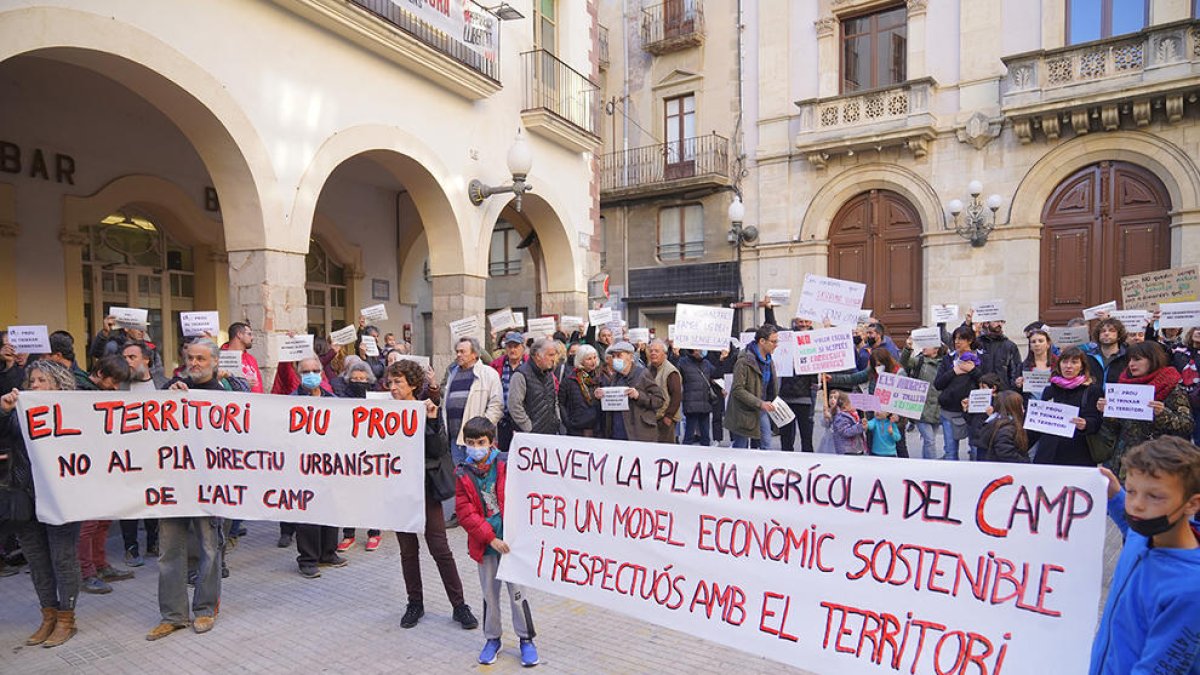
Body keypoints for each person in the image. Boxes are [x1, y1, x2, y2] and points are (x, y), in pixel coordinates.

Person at [1090, 437, 1200, 674]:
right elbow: (1132, 532)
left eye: (1154, 496)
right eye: (1132, 491)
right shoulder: (1145, 533)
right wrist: (1116, 496)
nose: (1137, 505)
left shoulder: (1190, 589)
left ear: (1192, 504)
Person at [386, 360, 478, 631]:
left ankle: (459, 605)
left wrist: (432, 419)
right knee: (407, 550)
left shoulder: (427, 409)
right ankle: (414, 603)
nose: (393, 388)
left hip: (425, 487)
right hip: (397, 489)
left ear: (413, 385)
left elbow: (438, 449)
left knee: (439, 546)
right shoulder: (382, 413)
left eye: (398, 383)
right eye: (390, 383)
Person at [147, 339, 229, 641]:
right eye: (190, 358)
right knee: (169, 550)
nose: (194, 363)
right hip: (173, 486)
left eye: (201, 359)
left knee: (209, 548)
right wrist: (167, 399)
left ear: (214, 362)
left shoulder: (224, 397)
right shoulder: (172, 388)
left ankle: (205, 608)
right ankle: (173, 615)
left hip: (208, 487)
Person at [0, 361, 84, 647]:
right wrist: (3, 410)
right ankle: (48, 615)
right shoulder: (17, 414)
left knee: (63, 559)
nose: (34, 386)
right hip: (26, 497)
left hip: (63, 498)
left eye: (41, 381)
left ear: (59, 385)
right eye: (31, 381)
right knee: (37, 560)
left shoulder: (76, 414)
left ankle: (66, 619)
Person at [455, 417, 539, 667]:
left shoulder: (507, 464)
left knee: (517, 594)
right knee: (489, 595)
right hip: (486, 546)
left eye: (481, 442)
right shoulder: (462, 472)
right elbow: (464, 512)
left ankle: (526, 639)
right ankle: (492, 638)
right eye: (470, 443)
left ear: (492, 442)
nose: (476, 447)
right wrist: (490, 538)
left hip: (512, 544)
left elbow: (524, 493)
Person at [288, 356, 350, 577]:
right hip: (302, 465)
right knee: (308, 514)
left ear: (322, 373)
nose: (311, 374)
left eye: (315, 370)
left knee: (331, 509)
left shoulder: (332, 399)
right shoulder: (289, 403)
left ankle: (328, 552)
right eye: (306, 371)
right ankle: (307, 559)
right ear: (298, 375)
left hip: (328, 464)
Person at [1097, 341, 1195, 476]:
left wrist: (1162, 414)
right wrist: (1108, 413)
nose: (1131, 364)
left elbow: (1187, 424)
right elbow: (1112, 431)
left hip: (1159, 461)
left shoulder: (1172, 387)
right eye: (1130, 360)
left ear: (1153, 360)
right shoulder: (1123, 386)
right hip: (1125, 462)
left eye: (1137, 359)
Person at [438, 336, 503, 529]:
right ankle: (462, 513)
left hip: (478, 439)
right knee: (462, 478)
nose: (458, 355)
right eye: (456, 351)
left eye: (462, 352)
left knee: (483, 477)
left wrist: (484, 428)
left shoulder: (488, 374)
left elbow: (496, 404)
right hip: (456, 437)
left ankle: (485, 512)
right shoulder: (453, 372)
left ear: (474, 354)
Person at [119, 342, 164, 566]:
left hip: (157, 456)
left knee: (154, 500)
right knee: (129, 503)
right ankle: (131, 547)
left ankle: (154, 542)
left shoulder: (163, 386)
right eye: (124, 357)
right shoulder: (118, 387)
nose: (127, 361)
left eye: (132, 357)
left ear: (146, 360)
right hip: (127, 456)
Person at [1030, 346, 1104, 467]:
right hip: (1048, 455)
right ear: (1059, 365)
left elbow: (1097, 421)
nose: (1068, 366)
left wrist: (1085, 424)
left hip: (1077, 455)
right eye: (1065, 361)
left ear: (1082, 366)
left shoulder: (1092, 390)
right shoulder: (1050, 390)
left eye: (1074, 362)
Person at [598, 341, 664, 442]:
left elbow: (659, 400)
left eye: (619, 355)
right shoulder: (615, 377)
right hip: (617, 432)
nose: (615, 359)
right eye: (613, 356)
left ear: (630, 356)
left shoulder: (642, 374)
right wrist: (600, 396)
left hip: (639, 433)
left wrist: (639, 396)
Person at [726, 325, 779, 449]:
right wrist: (760, 403)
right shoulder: (743, 361)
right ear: (762, 341)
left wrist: (774, 402)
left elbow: (771, 386)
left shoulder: (769, 360)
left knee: (766, 443)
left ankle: (764, 467)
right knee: (741, 446)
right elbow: (737, 389)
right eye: (773, 341)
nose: (776, 344)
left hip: (761, 409)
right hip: (743, 411)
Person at [934, 326, 982, 461]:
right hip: (949, 411)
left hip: (973, 412)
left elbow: (987, 382)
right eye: (955, 338)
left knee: (975, 452)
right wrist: (953, 372)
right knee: (950, 452)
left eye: (961, 338)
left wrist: (973, 370)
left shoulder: (980, 359)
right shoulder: (947, 360)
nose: (957, 342)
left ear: (970, 340)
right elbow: (938, 384)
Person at [508, 338, 562, 436]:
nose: (553, 359)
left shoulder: (549, 374)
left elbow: (554, 400)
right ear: (538, 356)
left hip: (550, 431)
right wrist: (529, 428)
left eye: (554, 355)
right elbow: (514, 406)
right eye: (550, 355)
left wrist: (557, 420)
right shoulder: (520, 375)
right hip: (531, 436)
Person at [902, 339, 944, 459]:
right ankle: (931, 466)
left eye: (927, 345)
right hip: (921, 408)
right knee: (929, 440)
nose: (923, 348)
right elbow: (904, 362)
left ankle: (925, 464)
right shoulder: (919, 361)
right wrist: (908, 349)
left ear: (936, 349)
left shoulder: (944, 364)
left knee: (929, 440)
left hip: (937, 408)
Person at [490, 332, 528, 453]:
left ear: (523, 348)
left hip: (524, 420)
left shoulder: (530, 366)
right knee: (504, 455)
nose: (512, 350)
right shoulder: (496, 365)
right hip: (503, 421)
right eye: (509, 346)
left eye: (516, 346)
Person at [559, 344, 602, 437]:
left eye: (594, 357)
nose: (593, 361)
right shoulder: (569, 380)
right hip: (576, 429)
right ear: (581, 360)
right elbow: (561, 403)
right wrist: (568, 423)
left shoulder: (600, 378)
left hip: (597, 429)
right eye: (589, 359)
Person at [676, 348, 716, 446]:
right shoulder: (683, 362)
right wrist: (675, 355)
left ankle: (705, 456)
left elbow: (716, 374)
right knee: (690, 432)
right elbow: (676, 376)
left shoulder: (706, 363)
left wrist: (722, 360)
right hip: (691, 403)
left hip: (704, 402)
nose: (702, 351)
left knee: (705, 435)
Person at [646, 340, 682, 443]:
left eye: (656, 351)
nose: (653, 353)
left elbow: (676, 396)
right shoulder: (649, 369)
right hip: (652, 417)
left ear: (664, 354)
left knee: (666, 449)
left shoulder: (671, 371)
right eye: (651, 351)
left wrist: (669, 416)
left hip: (665, 418)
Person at [979, 390, 1030, 463]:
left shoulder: (1000, 423)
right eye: (1020, 405)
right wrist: (1024, 462)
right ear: (1013, 408)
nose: (1023, 409)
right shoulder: (1007, 429)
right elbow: (1006, 453)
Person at [1171, 326, 1200, 445]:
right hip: (1181, 400)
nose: (1199, 332)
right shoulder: (1178, 349)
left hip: (1198, 401)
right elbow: (1154, 347)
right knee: (1181, 440)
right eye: (1197, 328)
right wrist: (1153, 325)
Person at [975, 320, 1022, 390]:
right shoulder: (977, 343)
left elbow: (1015, 372)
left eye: (1002, 321)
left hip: (1003, 394)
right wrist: (969, 325)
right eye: (996, 321)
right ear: (987, 323)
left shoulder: (1010, 346)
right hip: (981, 392)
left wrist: (1011, 392)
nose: (999, 324)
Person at [1082, 317, 1130, 384]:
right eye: (1103, 331)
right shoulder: (1088, 356)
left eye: (1111, 330)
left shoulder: (1127, 356)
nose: (1106, 333)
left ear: (1119, 335)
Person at [222, 321, 263, 393]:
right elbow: (221, 383)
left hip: (256, 401)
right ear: (239, 335)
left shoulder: (251, 359)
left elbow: (259, 386)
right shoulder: (223, 357)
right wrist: (244, 383)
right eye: (249, 334)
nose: (252, 338)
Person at [828, 391, 868, 456]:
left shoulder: (852, 415)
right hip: (847, 449)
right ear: (845, 406)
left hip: (855, 448)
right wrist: (859, 427)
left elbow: (854, 425)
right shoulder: (841, 418)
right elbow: (846, 432)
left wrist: (861, 422)